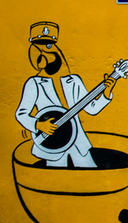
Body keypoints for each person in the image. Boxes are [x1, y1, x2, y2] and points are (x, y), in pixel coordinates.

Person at [15, 22, 121, 168]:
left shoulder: (73, 81)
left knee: (91, 177)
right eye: (42, 49)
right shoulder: (34, 84)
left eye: (50, 47)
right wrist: (39, 125)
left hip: (77, 141)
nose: (47, 53)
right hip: (53, 145)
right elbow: (21, 114)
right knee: (57, 182)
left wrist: (106, 93)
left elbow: (91, 108)